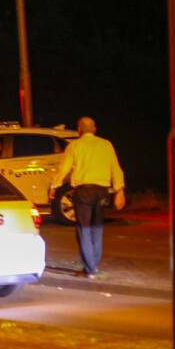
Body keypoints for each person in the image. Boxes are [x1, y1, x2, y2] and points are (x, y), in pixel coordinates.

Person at [48, 117, 125, 279]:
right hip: (102, 192)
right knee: (97, 229)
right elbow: (115, 168)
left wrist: (54, 186)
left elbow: (64, 169)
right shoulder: (106, 145)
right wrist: (119, 190)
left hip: (83, 192)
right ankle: (93, 264)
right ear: (94, 129)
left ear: (79, 130)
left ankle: (89, 269)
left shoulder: (74, 146)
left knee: (84, 229)